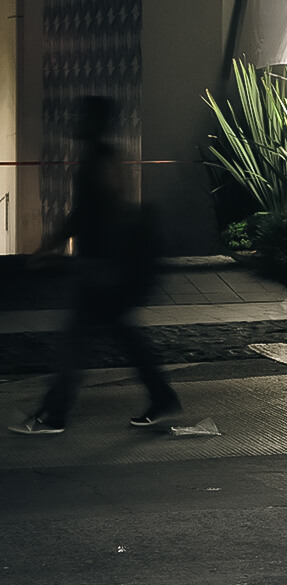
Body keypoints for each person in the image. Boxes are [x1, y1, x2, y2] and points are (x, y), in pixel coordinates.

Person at [8, 96, 181, 435]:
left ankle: (54, 415)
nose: (76, 121)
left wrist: (53, 250)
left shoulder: (98, 162)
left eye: (83, 116)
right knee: (124, 337)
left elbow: (90, 215)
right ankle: (161, 398)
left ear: (96, 123)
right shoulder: (103, 158)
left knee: (78, 342)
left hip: (101, 270)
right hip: (104, 268)